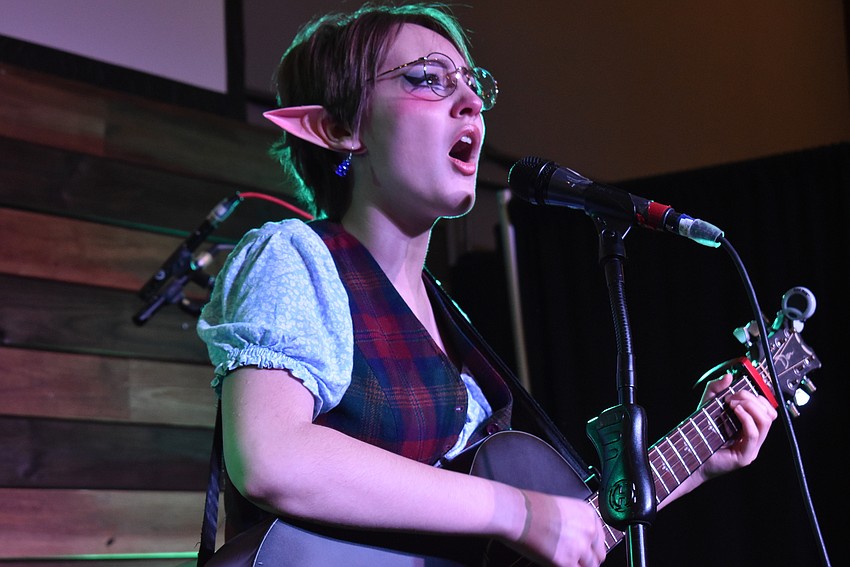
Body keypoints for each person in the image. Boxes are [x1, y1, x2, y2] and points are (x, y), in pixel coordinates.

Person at [196, 3, 777, 566]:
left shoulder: (448, 315)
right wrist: (519, 512)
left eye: (474, 85)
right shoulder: (295, 254)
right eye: (428, 80)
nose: (471, 103)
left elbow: (564, 531)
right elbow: (271, 456)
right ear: (340, 127)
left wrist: (699, 462)